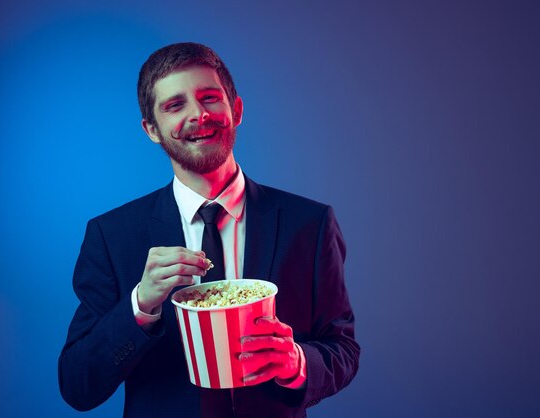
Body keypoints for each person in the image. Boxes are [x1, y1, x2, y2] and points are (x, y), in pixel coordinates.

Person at [58, 42, 359, 418]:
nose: (198, 114)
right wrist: (141, 304)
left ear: (236, 110)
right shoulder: (112, 236)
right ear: (152, 129)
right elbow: (77, 386)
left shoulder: (310, 225)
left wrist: (297, 363)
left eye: (209, 97)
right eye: (174, 105)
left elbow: (342, 349)